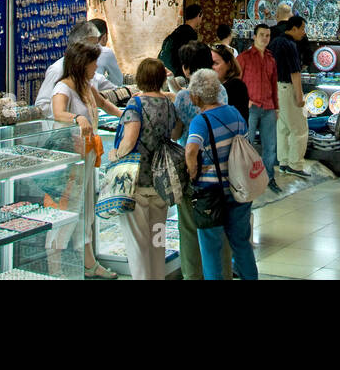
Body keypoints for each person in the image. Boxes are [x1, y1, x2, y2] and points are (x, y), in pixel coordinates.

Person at [50, 41, 121, 279]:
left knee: (87, 211)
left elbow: (103, 103)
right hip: (72, 162)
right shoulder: (63, 88)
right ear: (82, 64)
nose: (96, 67)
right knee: (68, 211)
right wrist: (76, 119)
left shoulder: (86, 85)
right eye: (93, 62)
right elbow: (58, 112)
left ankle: (89, 263)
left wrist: (126, 114)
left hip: (89, 158)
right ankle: (56, 267)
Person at [108, 59, 182, 281]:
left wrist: (115, 156)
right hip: (161, 183)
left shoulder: (136, 105)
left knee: (138, 244)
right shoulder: (169, 104)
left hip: (136, 183)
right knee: (157, 241)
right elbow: (176, 134)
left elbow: (129, 140)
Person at [184, 68, 258, 281]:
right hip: (239, 188)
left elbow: (191, 149)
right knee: (241, 244)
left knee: (212, 250)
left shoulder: (201, 121)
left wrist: (193, 170)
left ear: (196, 96)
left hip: (211, 194)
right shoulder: (234, 113)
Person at [173, 41, 230, 280]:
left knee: (188, 227)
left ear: (186, 69)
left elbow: (177, 135)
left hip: (193, 170)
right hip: (220, 168)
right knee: (218, 226)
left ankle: (192, 275)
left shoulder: (185, 97)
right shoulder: (222, 92)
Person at [35, 20, 124, 120]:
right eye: (93, 44)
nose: (96, 48)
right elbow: (45, 107)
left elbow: (104, 98)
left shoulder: (87, 81)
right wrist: (73, 116)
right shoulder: (58, 72)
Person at [237, 23, 280, 193]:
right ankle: (246, 179)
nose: (264, 38)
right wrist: (244, 101)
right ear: (254, 36)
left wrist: (276, 108)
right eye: (261, 35)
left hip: (268, 107)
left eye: (267, 35)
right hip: (251, 107)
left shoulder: (271, 59)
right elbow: (236, 81)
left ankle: (269, 178)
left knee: (270, 146)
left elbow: (274, 84)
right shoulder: (244, 57)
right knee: (247, 145)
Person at [272, 15, 310, 178]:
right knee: (299, 128)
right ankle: (295, 164)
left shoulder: (275, 42)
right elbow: (295, 72)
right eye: (302, 28)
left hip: (276, 88)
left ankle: (284, 162)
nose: (303, 32)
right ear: (293, 28)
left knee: (283, 128)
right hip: (288, 88)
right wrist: (299, 96)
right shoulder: (290, 45)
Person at [159, 3, 202, 80]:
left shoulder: (177, 30)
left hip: (165, 70)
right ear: (199, 15)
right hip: (177, 74)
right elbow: (189, 58)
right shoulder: (190, 34)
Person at [211, 43, 249, 122]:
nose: (212, 68)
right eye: (210, 63)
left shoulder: (236, 86)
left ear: (228, 64)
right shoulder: (218, 85)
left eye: (216, 63)